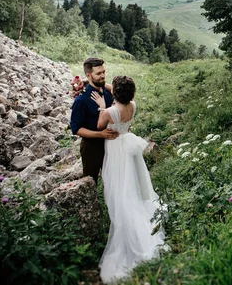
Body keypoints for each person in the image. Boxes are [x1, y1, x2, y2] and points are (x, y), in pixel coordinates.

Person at [92, 75, 167, 283]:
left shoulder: (109, 111)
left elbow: (100, 126)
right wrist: (106, 87)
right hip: (128, 146)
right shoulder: (132, 105)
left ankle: (126, 220)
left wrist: (101, 105)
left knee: (118, 185)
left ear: (114, 93)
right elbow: (122, 98)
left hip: (116, 150)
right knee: (132, 183)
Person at [70, 58, 118, 184]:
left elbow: (119, 92)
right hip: (91, 147)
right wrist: (100, 134)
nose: (102, 76)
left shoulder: (107, 92)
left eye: (103, 72)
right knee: (91, 182)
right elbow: (76, 129)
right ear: (88, 75)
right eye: (98, 74)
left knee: (113, 179)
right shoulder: (81, 100)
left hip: (111, 144)